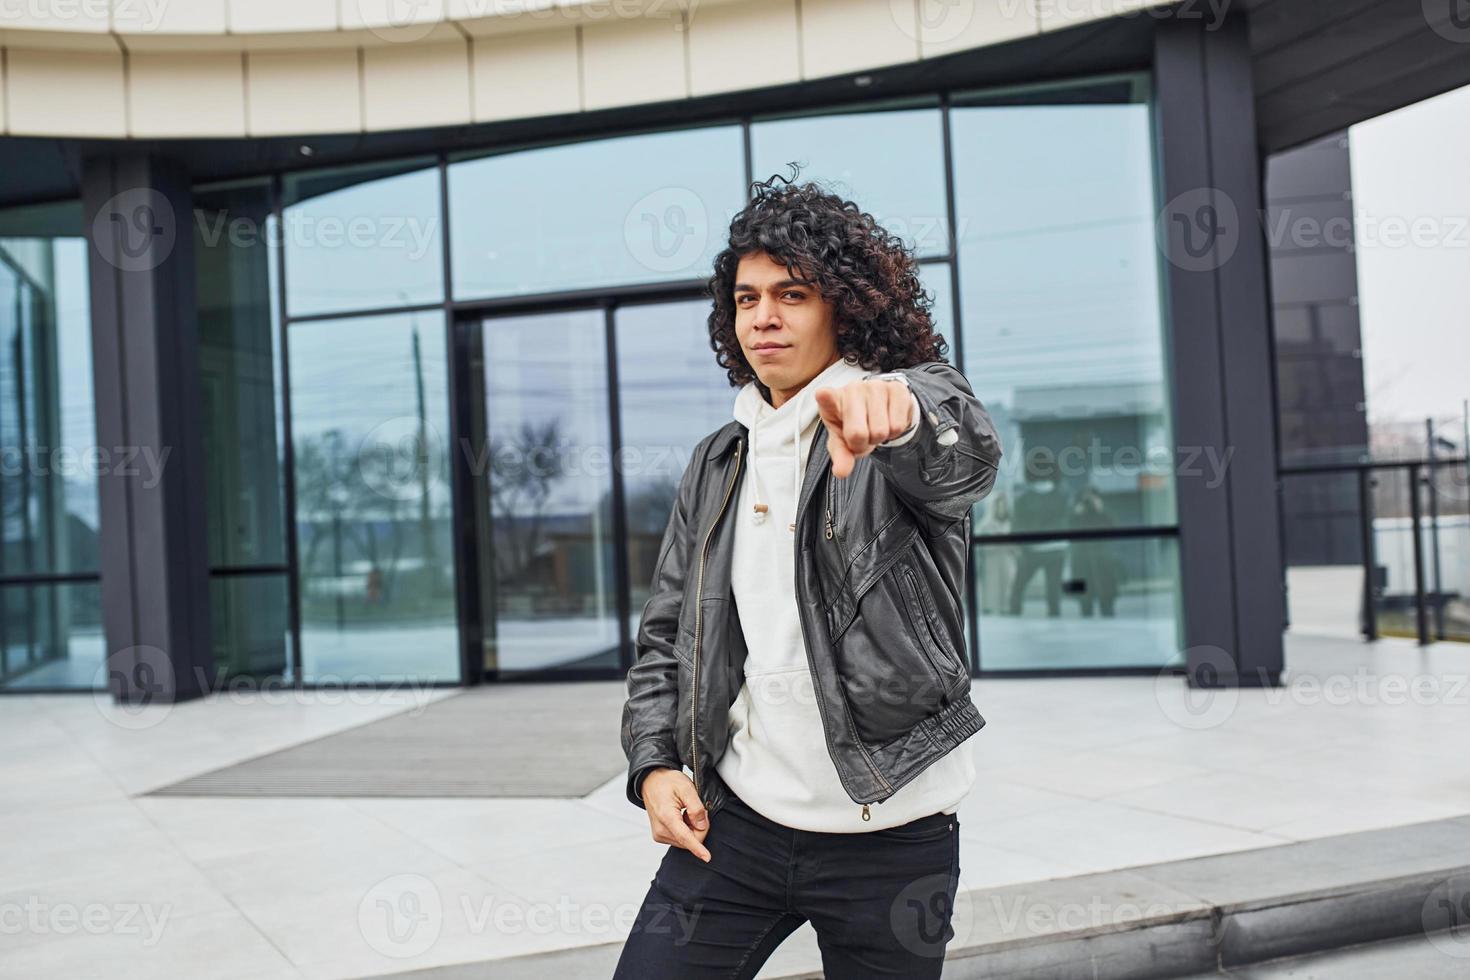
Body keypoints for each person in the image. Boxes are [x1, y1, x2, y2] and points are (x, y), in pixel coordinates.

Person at [615, 173, 1004, 978]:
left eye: (792, 294)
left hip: (892, 835)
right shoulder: (719, 459)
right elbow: (667, 629)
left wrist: (901, 411)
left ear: (845, 308)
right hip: (738, 825)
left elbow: (960, 450)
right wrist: (654, 763)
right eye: (747, 298)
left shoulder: (894, 415)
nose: (763, 316)